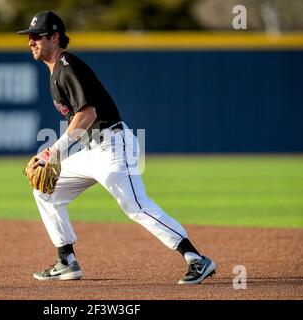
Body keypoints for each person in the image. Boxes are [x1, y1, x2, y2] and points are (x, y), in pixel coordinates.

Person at [17, 11, 216, 285]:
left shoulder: (68, 66)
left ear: (54, 37)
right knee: (45, 190)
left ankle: (196, 259)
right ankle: (67, 261)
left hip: (113, 146)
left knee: (135, 206)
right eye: (29, 37)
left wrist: (53, 152)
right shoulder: (55, 72)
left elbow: (86, 114)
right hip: (92, 151)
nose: (31, 42)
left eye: (36, 36)